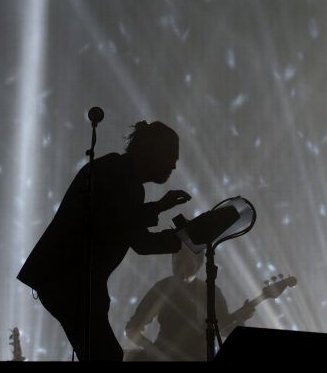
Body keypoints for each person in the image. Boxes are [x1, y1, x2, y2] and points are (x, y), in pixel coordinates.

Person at [17, 120, 191, 361]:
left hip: (66, 280)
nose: (173, 164)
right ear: (152, 151)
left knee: (102, 354)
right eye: (171, 156)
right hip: (68, 280)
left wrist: (166, 218)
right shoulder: (118, 174)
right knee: (105, 355)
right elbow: (132, 233)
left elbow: (129, 229)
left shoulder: (116, 171)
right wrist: (181, 236)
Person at [124, 248, 255, 361]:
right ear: (172, 261)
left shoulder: (211, 292)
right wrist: (155, 353)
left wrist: (241, 319)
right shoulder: (162, 288)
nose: (182, 269)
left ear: (198, 264)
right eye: (178, 263)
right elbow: (131, 329)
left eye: (189, 264)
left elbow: (224, 330)